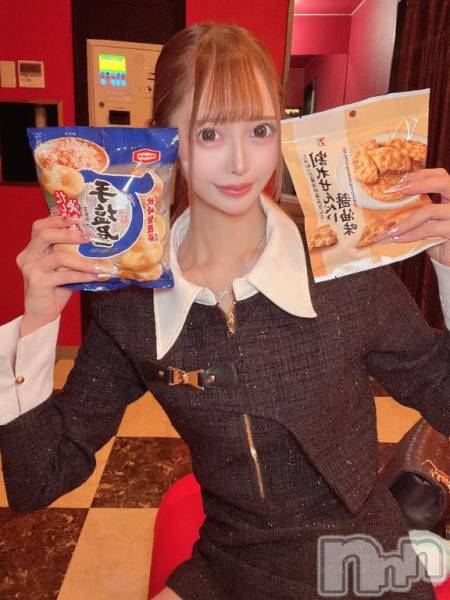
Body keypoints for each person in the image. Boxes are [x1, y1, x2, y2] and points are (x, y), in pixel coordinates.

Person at [1, 22, 450, 600]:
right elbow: (39, 478)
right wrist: (39, 323)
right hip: (232, 561)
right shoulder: (134, 302)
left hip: (357, 558)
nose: (241, 163)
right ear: (166, 138)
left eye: (260, 129)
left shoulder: (343, 271)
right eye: (210, 133)